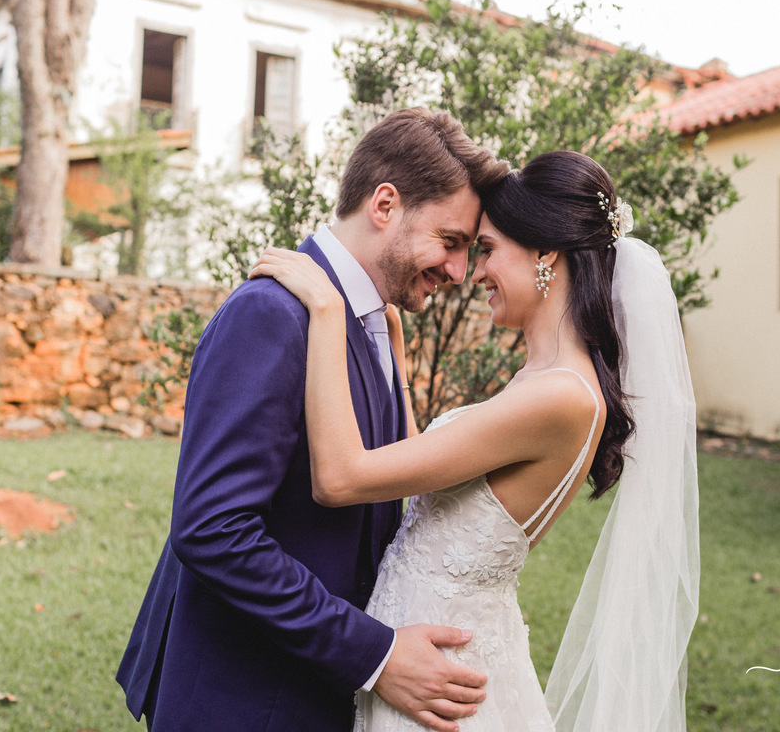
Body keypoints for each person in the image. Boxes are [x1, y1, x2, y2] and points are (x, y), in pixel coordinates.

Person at [250, 150, 700, 731]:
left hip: (439, 679)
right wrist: (399, 369)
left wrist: (325, 309)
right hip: (433, 658)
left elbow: (341, 479)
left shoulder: (558, 397)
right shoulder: (542, 382)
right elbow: (427, 490)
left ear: (545, 253)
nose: (473, 271)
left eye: (487, 249)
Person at [116, 108, 511, 732]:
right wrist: (375, 655)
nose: (459, 272)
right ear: (385, 205)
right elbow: (213, 530)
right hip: (247, 700)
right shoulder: (272, 314)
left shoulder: (375, 322)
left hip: (311, 696)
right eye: (451, 241)